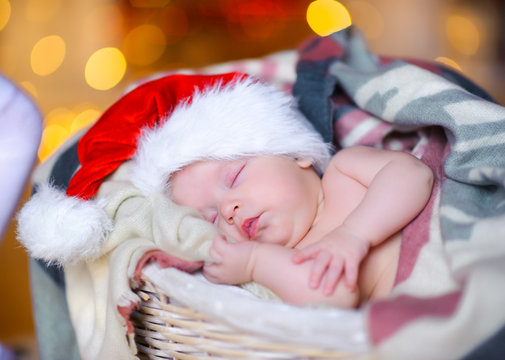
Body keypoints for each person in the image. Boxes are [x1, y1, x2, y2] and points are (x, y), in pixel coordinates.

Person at [170, 145, 433, 308]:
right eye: (211, 219)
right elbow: (336, 296)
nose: (227, 210)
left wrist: (355, 234)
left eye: (234, 177)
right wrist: (255, 262)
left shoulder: (345, 171)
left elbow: (413, 173)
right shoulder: (282, 267)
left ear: (295, 154)